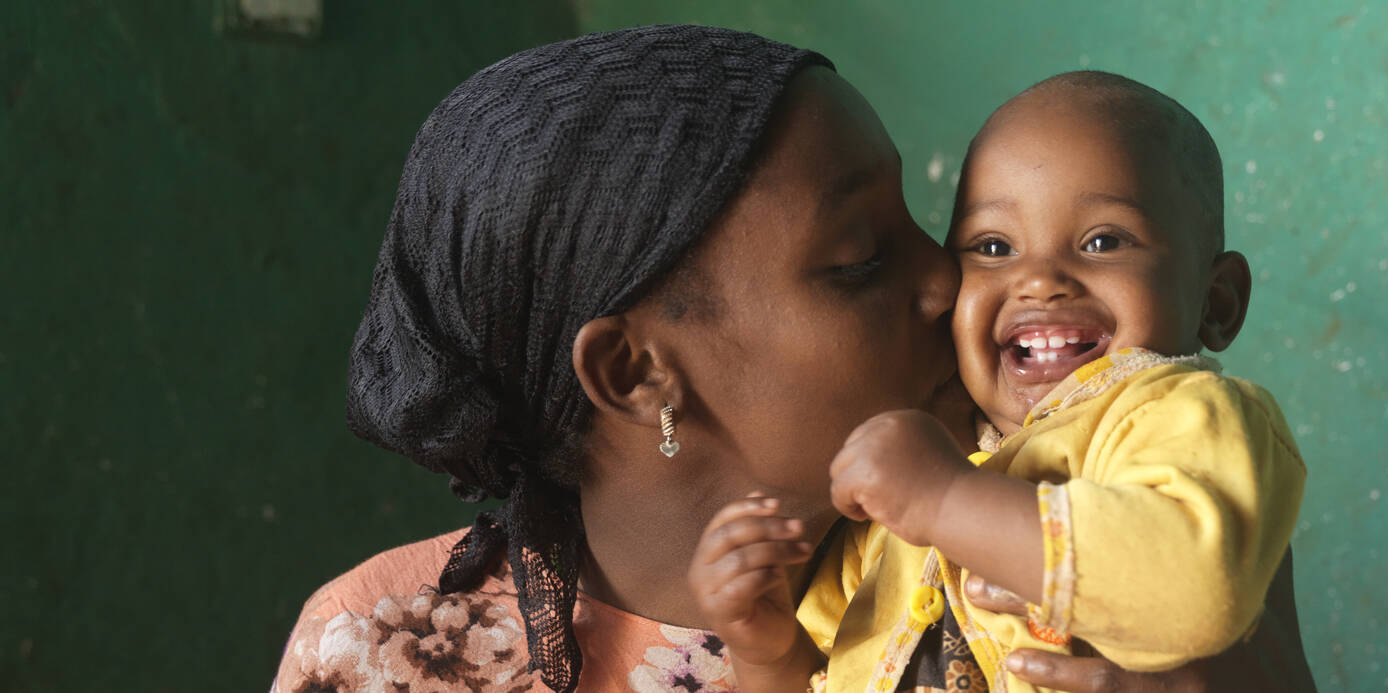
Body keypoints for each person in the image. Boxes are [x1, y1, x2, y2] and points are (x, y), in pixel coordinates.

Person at [269, 26, 1314, 693]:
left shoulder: (1073, 508)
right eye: (859, 259)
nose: (954, 283)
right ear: (639, 375)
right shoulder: (384, 652)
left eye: (930, 224)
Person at [689, 72, 1307, 693]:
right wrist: (769, 655)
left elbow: (1196, 594)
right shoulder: (907, 486)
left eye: (1103, 240)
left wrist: (945, 501)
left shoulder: (1180, 415)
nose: (1039, 279)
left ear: (1216, 302)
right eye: (991, 246)